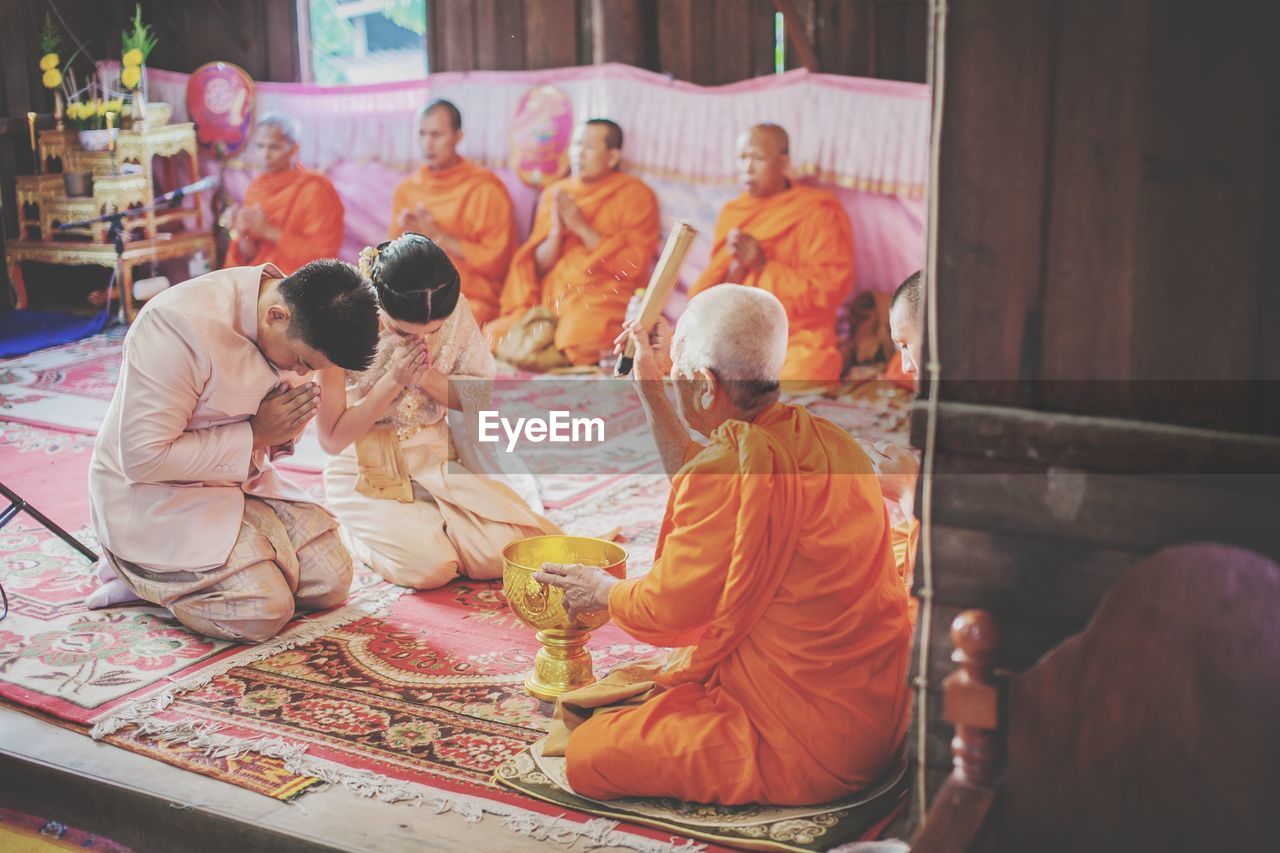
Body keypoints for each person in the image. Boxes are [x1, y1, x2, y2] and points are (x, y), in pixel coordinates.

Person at [533, 285, 912, 805]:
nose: (672, 375)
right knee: (638, 696)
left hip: (802, 745)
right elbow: (708, 480)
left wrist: (601, 589)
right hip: (880, 720)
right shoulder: (830, 440)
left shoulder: (734, 466)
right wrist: (654, 394)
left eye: (679, 368)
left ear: (705, 385)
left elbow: (666, 612)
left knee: (590, 753)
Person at [87, 260, 381, 643]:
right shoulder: (176, 325)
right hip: (156, 495)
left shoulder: (301, 318)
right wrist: (256, 433)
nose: (303, 374)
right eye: (301, 363)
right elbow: (142, 458)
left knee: (332, 581)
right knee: (263, 612)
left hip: (239, 482)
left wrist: (281, 428)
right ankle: (137, 572)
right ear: (277, 316)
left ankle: (223, 566)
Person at [318, 233, 559, 590]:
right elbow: (332, 439)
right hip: (366, 466)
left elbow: (477, 397)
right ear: (375, 299)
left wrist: (427, 376)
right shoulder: (340, 321)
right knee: (430, 568)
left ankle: (427, 526)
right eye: (400, 330)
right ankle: (353, 533)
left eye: (435, 331)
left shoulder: (451, 308)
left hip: (436, 456)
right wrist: (393, 381)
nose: (417, 340)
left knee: (504, 554)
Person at [689, 124, 855, 383]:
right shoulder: (733, 211)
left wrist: (763, 265)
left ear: (783, 162)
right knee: (681, 356)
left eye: (758, 158)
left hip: (795, 333)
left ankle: (842, 355)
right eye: (742, 158)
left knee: (804, 371)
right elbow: (710, 297)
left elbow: (827, 291)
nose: (747, 168)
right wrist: (738, 267)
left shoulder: (818, 210)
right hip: (737, 332)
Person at [486, 119, 659, 367]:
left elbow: (633, 266)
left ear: (611, 157)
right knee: (493, 334)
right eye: (576, 145)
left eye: (588, 147)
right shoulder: (556, 193)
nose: (578, 154)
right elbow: (540, 268)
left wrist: (579, 226)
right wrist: (557, 232)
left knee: (579, 338)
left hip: (601, 296)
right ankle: (551, 350)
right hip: (551, 300)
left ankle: (551, 350)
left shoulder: (636, 195)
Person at [389, 100, 516, 326]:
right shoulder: (407, 188)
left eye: (436, 135)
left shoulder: (484, 188)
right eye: (422, 134)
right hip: (415, 296)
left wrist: (438, 235)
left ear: (458, 137)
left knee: (449, 332)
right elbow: (392, 260)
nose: (428, 143)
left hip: (469, 295)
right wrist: (407, 240)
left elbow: (498, 263)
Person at [223, 113, 345, 274]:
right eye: (260, 146)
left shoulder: (314, 189)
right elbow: (251, 255)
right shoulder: (256, 188)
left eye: (274, 147)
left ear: (294, 149)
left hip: (299, 281)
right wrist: (243, 232)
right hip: (260, 275)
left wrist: (268, 231)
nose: (265, 154)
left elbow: (323, 257)